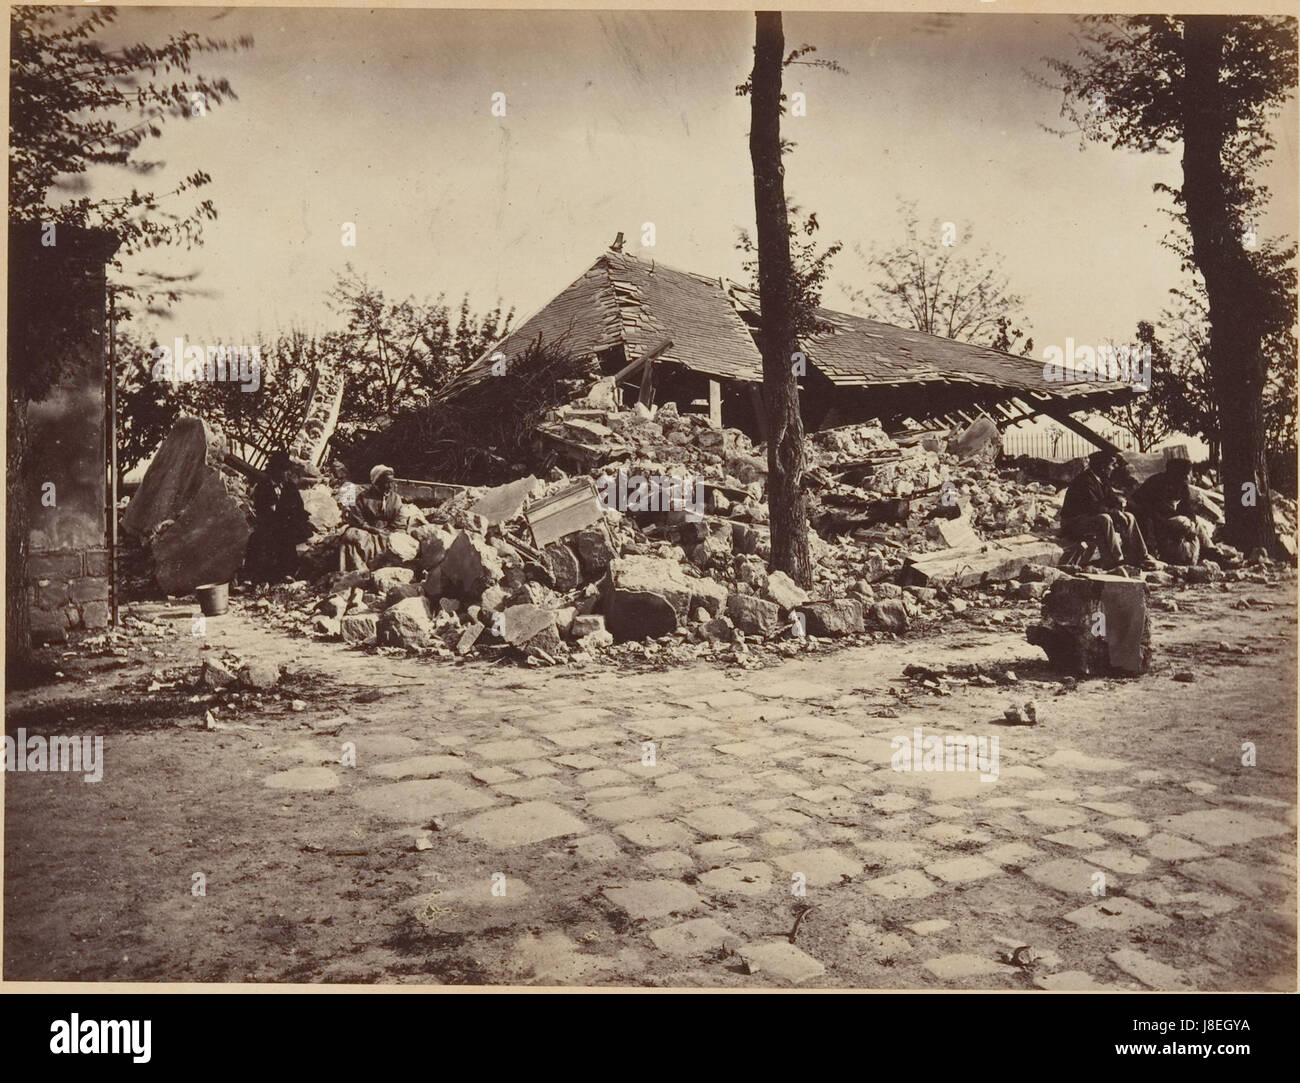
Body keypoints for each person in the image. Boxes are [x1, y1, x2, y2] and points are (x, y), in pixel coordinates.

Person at [1060, 449, 1153, 570]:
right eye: (1112, 465)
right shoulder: (1084, 481)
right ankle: (1115, 562)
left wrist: (1124, 507)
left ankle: (1139, 556)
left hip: (1088, 519)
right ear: (1103, 467)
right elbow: (1094, 508)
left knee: (1129, 516)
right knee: (1104, 518)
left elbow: (1112, 499)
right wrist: (1116, 513)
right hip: (1072, 523)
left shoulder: (1102, 479)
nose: (1114, 468)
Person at [1128, 458, 1216, 565]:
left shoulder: (1182, 486)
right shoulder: (1156, 482)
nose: (1191, 477)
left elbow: (1187, 508)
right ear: (1180, 474)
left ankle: (1212, 551)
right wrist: (1169, 521)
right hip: (1154, 520)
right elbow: (1147, 508)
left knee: (1196, 523)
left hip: (1170, 518)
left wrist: (1191, 521)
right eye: (1188, 473)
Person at [244, 451, 313, 583]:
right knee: (259, 540)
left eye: (289, 470)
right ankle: (252, 578)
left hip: (288, 525)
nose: (288, 474)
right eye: (285, 470)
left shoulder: (290, 487)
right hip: (270, 526)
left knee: (288, 537)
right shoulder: (264, 487)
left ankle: (288, 573)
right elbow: (263, 512)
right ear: (276, 471)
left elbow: (299, 508)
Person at [338, 464, 404, 571]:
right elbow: (356, 518)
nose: (391, 485)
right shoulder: (363, 497)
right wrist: (372, 529)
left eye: (392, 482)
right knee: (350, 536)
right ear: (377, 482)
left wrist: (388, 530)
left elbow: (400, 520)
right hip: (367, 531)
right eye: (387, 482)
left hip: (388, 532)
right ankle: (355, 572)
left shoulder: (395, 498)